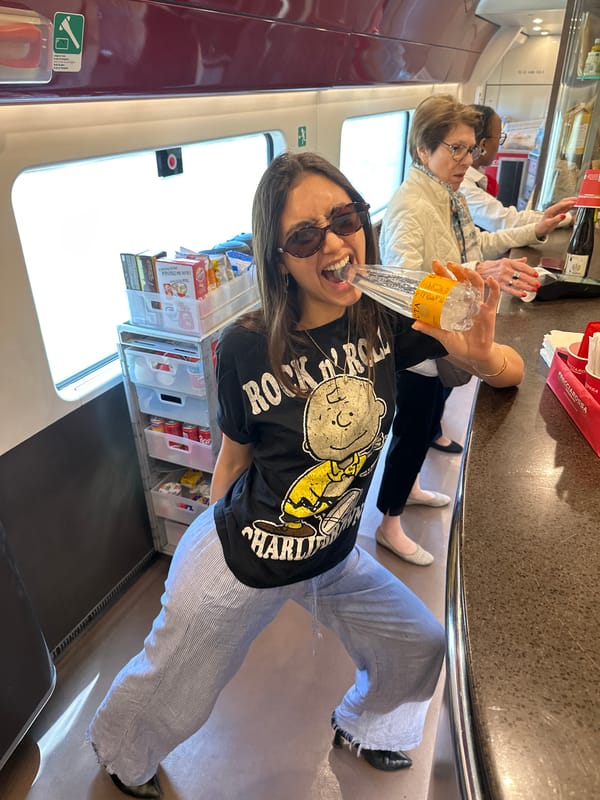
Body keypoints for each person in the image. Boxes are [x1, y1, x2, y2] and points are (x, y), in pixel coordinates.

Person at [87, 151, 524, 798]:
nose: (334, 242)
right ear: (280, 259)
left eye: (344, 218)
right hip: (249, 554)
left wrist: (481, 355)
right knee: (176, 684)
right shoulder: (246, 345)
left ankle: (366, 726)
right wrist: (210, 560)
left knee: (422, 645)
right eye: (304, 236)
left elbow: (512, 371)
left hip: (333, 551)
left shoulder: (384, 314)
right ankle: (121, 757)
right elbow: (233, 458)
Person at [375, 94, 564, 567]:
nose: (466, 160)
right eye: (454, 149)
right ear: (423, 148)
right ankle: (389, 525)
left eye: (470, 148)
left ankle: (412, 489)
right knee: (410, 433)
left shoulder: (449, 196)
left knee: (430, 421)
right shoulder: (410, 206)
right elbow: (402, 283)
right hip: (419, 344)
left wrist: (533, 231)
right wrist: (477, 271)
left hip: (447, 338)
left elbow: (476, 244)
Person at [461, 104, 576, 233]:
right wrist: (566, 219)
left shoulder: (472, 178)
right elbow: (505, 221)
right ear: (483, 144)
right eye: (499, 138)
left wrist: (551, 216)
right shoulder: (463, 185)